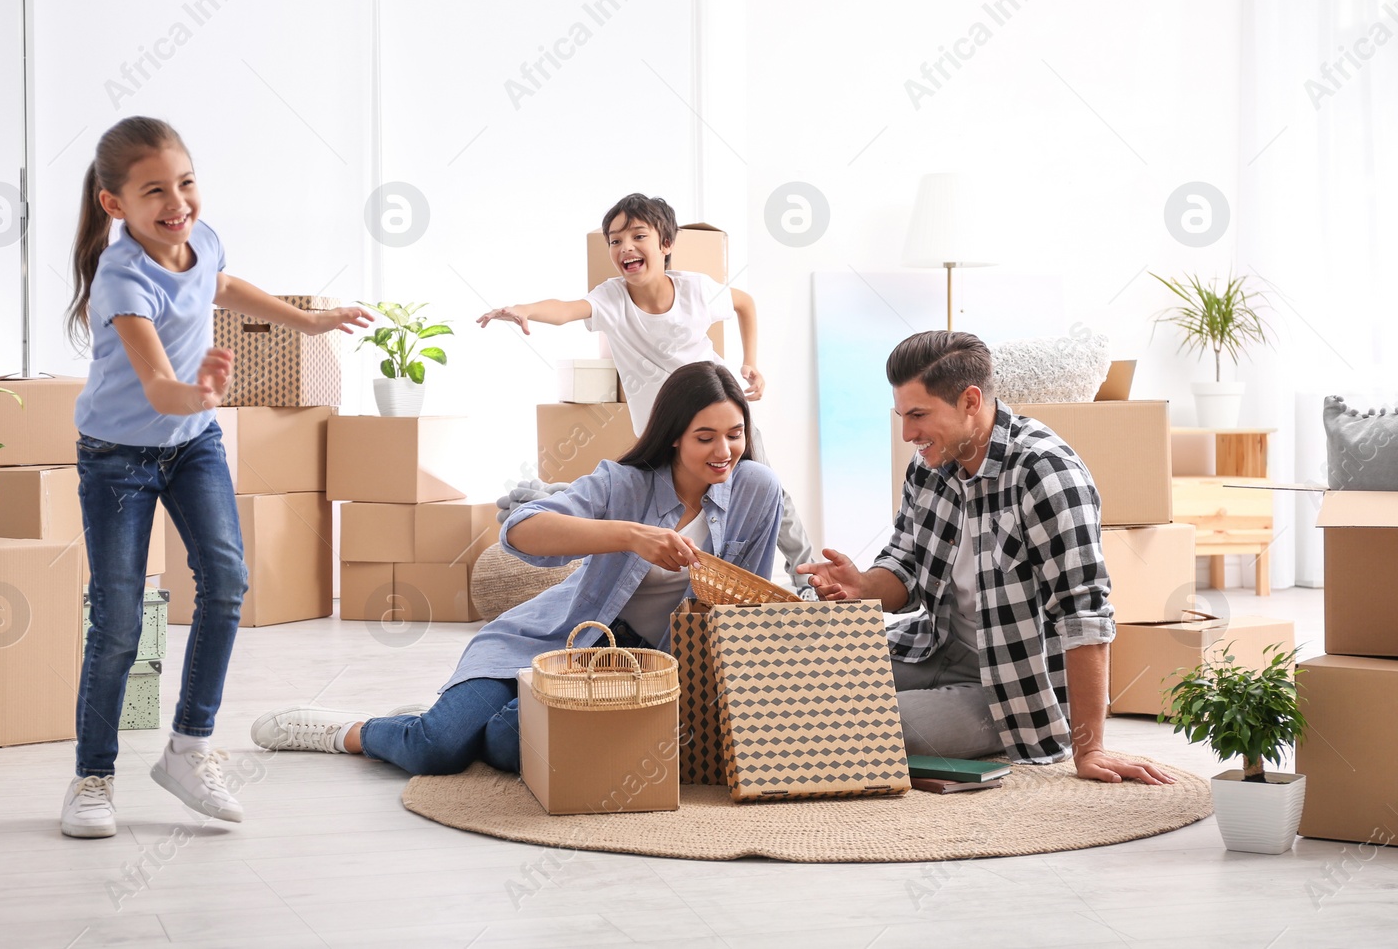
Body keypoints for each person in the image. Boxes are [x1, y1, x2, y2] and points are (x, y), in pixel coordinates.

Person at [60, 116, 372, 838]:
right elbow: (160, 386)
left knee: (226, 581)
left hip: (192, 443)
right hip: (118, 456)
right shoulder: (121, 278)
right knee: (117, 621)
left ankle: (189, 749)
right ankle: (92, 775)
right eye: (155, 192)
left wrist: (308, 322)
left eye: (187, 182)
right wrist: (199, 394)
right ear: (116, 205)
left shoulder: (202, 239)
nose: (178, 202)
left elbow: (222, 285)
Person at [249, 361, 784, 774]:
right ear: (673, 434)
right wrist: (630, 536)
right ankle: (351, 730)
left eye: (734, 433)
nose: (724, 451)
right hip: (554, 640)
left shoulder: (757, 490)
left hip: (643, 667)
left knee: (508, 746)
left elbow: (746, 607)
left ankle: (456, 718)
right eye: (705, 437)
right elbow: (521, 529)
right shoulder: (624, 485)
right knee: (436, 751)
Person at [798, 330, 1176, 785]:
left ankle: (991, 733)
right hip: (935, 646)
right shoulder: (930, 464)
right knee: (805, 686)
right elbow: (905, 565)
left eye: (918, 415)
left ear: (970, 402)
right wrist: (862, 586)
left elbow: (1085, 615)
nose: (907, 434)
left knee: (861, 726)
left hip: (1014, 685)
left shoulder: (1046, 474)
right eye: (901, 416)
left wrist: (1090, 749)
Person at [475, 192, 815, 592]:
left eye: (638, 236)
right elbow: (566, 309)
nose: (626, 248)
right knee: (658, 497)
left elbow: (745, 303)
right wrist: (526, 309)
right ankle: (660, 584)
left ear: (666, 244)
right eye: (616, 241)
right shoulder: (611, 298)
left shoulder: (695, 291)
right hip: (666, 423)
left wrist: (751, 361)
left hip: (718, 413)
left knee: (767, 489)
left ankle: (805, 575)